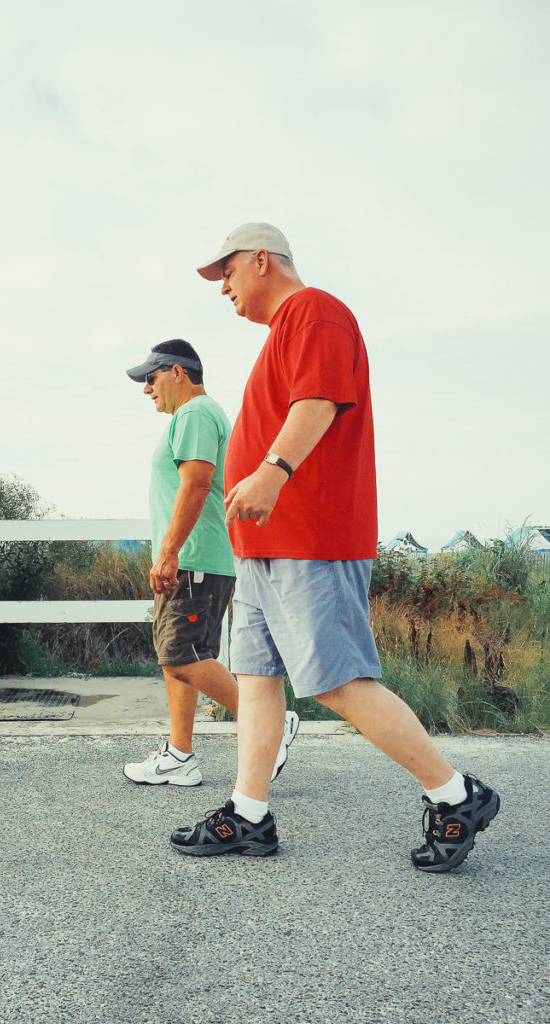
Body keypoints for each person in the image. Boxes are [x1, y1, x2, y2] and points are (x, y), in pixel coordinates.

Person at [170, 223, 500, 869]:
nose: (224, 288)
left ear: (263, 260)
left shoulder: (315, 311)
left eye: (229, 273)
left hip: (310, 537)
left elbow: (318, 400)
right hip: (267, 546)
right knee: (259, 679)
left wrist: (272, 472)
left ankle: (455, 794)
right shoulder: (283, 332)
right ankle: (249, 814)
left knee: (337, 680)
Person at [123, 339, 299, 786]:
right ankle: (180, 756)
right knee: (174, 657)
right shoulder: (195, 416)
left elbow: (198, 484)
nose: (147, 389)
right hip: (192, 557)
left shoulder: (195, 414)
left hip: (193, 557)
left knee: (184, 656)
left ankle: (272, 725)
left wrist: (169, 552)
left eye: (151, 377)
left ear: (178, 372)